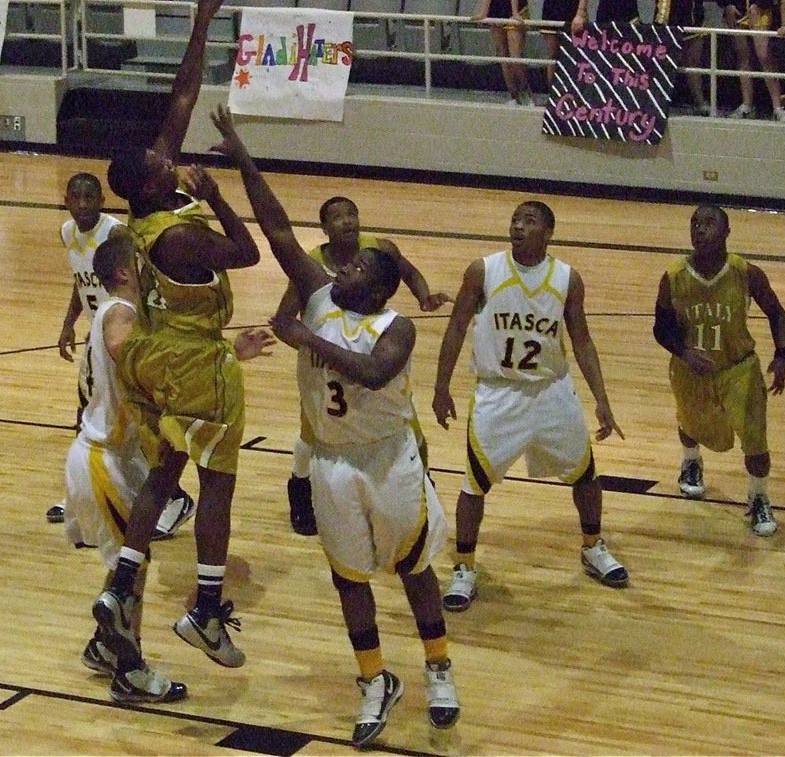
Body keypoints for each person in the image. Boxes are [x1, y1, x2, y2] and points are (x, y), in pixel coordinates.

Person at [211, 104, 459, 747]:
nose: (340, 268)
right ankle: (375, 679)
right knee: (348, 577)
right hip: (329, 461)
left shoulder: (394, 328)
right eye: (343, 266)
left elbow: (375, 374)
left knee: (413, 569)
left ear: (379, 289)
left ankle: (438, 667)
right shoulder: (320, 296)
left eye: (354, 270)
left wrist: (303, 339)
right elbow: (275, 230)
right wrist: (238, 154)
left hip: (387, 457)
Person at [91, 0, 263, 674]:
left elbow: (183, 95)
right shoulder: (179, 233)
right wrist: (219, 193)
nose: (171, 157)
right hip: (195, 362)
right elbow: (248, 254)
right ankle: (204, 610)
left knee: (165, 474)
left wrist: (200, 23)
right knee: (216, 483)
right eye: (162, 161)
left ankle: (123, 581)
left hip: (160, 356)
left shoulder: (144, 211)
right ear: (152, 181)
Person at [66, 235, 272, 704]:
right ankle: (130, 671)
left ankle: (104, 648)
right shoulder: (121, 312)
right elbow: (129, 354)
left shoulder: (125, 311)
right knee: (129, 579)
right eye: (140, 261)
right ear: (124, 272)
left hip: (106, 455)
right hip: (105, 459)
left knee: (128, 570)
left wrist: (226, 355)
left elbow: (170, 367)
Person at [432, 201, 628, 613]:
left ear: (548, 232)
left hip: (552, 391)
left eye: (529, 221)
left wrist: (603, 401)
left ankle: (593, 546)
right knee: (474, 484)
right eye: (515, 219)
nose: (518, 226)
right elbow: (456, 328)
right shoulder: (483, 271)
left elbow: (583, 340)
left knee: (585, 475)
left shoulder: (567, 278)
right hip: (498, 393)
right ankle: (464, 566)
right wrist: (441, 386)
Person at [275, 196, 450, 537]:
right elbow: (285, 318)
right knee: (310, 437)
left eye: (351, 213)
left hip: (365, 347)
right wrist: (304, 341)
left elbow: (408, 272)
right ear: (324, 229)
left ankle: (419, 485)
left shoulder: (379, 248)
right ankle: (299, 490)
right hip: (327, 367)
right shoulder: (312, 266)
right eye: (337, 217)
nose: (347, 221)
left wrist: (424, 296)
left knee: (413, 433)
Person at [49, 172, 195, 540]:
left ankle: (172, 498)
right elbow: (79, 280)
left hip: (125, 328)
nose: (83, 204)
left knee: (132, 421)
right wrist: (69, 323)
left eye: (90, 197)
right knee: (86, 414)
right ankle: (82, 493)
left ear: (102, 199)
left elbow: (143, 278)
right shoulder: (68, 233)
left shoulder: (116, 234)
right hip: (99, 330)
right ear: (66, 198)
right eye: (76, 197)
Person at [652, 205, 785, 536]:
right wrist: (685, 353)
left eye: (709, 223)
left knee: (755, 438)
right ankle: (691, 462)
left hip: (738, 367)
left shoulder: (746, 272)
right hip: (690, 369)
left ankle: (758, 498)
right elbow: (660, 328)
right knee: (689, 423)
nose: (699, 229)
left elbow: (777, 313)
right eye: (695, 223)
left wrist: (783, 355)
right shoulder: (673, 276)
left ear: (727, 232)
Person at [649, 0, 713, 113]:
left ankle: (700, 102)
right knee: (663, 63)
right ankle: (658, 104)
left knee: (693, 62)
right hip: (667, 16)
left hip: (693, 14)